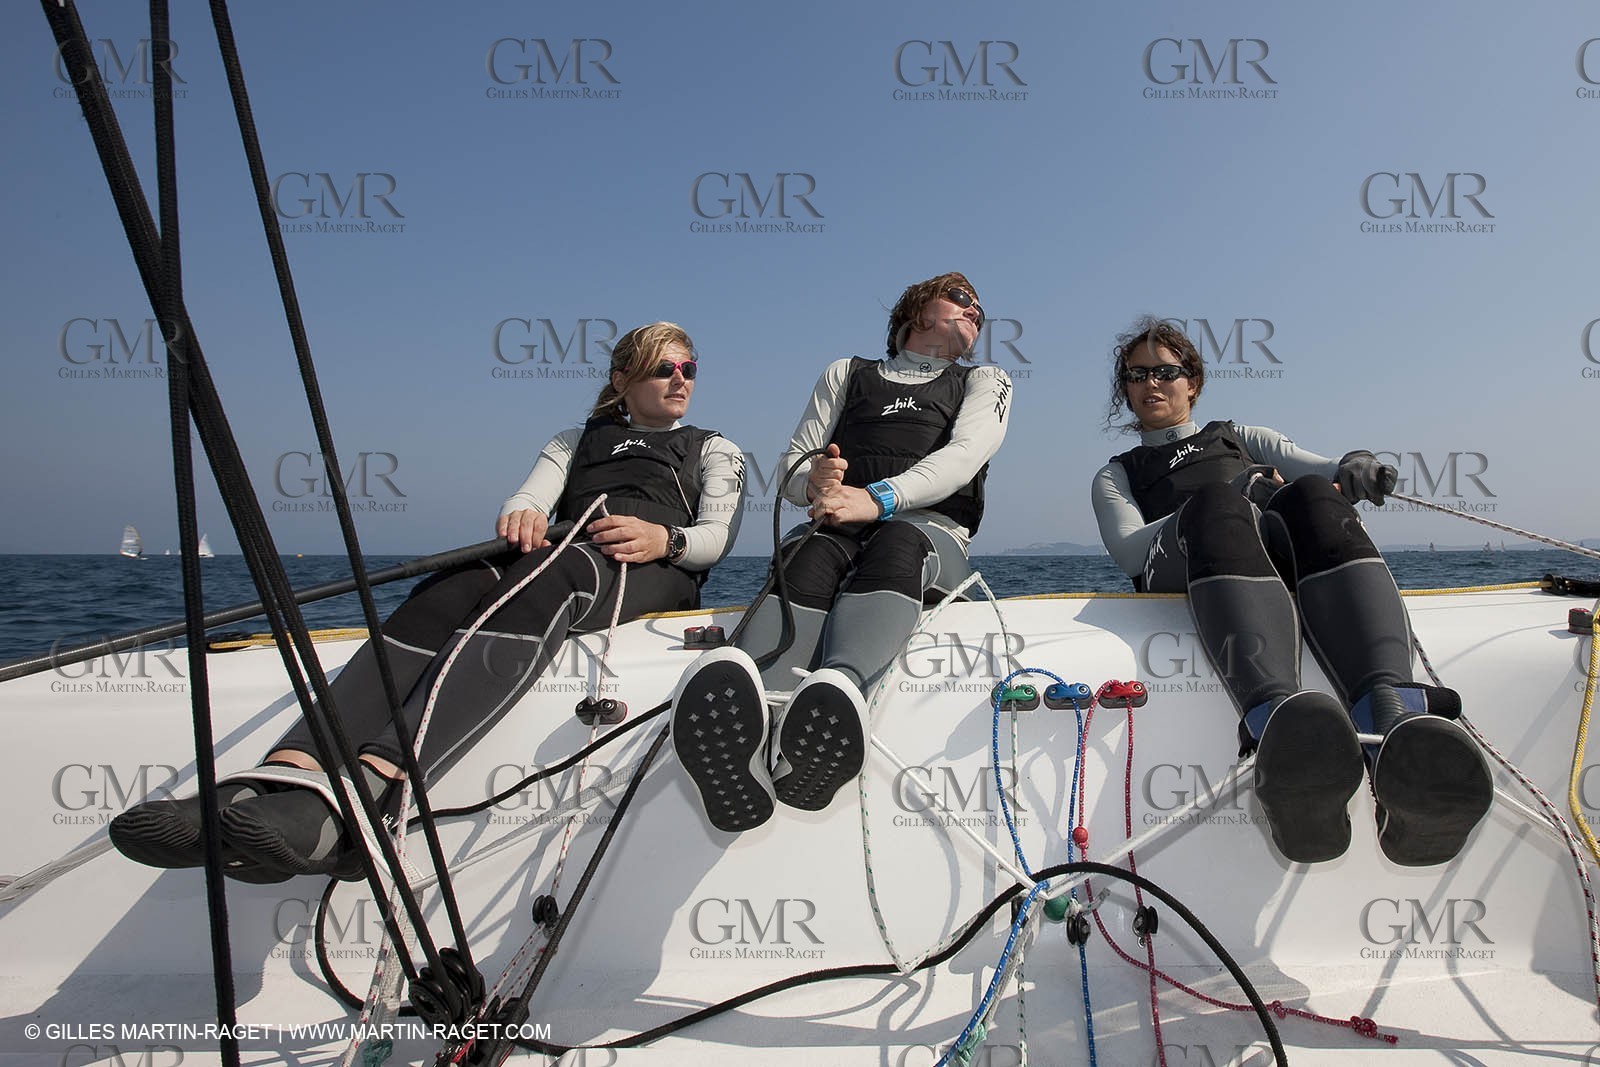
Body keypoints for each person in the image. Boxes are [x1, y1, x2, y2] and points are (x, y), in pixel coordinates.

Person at [110, 322, 745, 882]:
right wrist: (522, 514)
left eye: (689, 368)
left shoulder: (715, 449)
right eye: (664, 368)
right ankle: (280, 777)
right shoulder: (573, 440)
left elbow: (715, 539)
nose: (680, 379)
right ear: (622, 379)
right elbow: (529, 498)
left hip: (647, 571)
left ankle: (375, 792)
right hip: (559, 555)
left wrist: (665, 538)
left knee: (557, 576)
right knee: (450, 585)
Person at [1090, 316, 1492, 867]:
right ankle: (1278, 725)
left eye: (1165, 371)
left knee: (1311, 495)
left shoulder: (1242, 437)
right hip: (1181, 564)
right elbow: (1130, 552)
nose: (1150, 383)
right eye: (1136, 375)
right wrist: (1228, 493)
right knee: (1217, 505)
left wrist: (1355, 466)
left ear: (1193, 382)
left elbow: (1323, 470)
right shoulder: (1116, 475)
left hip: (1265, 561)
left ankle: (1388, 711)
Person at [670, 272, 1011, 833]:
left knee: (898, 543)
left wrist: (876, 499)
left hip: (928, 534)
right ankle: (754, 737)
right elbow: (792, 469)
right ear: (916, 311)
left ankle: (840, 691)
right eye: (961, 299)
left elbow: (965, 455)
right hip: (837, 526)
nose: (976, 309)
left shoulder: (986, 380)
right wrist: (814, 481)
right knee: (808, 555)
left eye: (980, 305)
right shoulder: (845, 373)